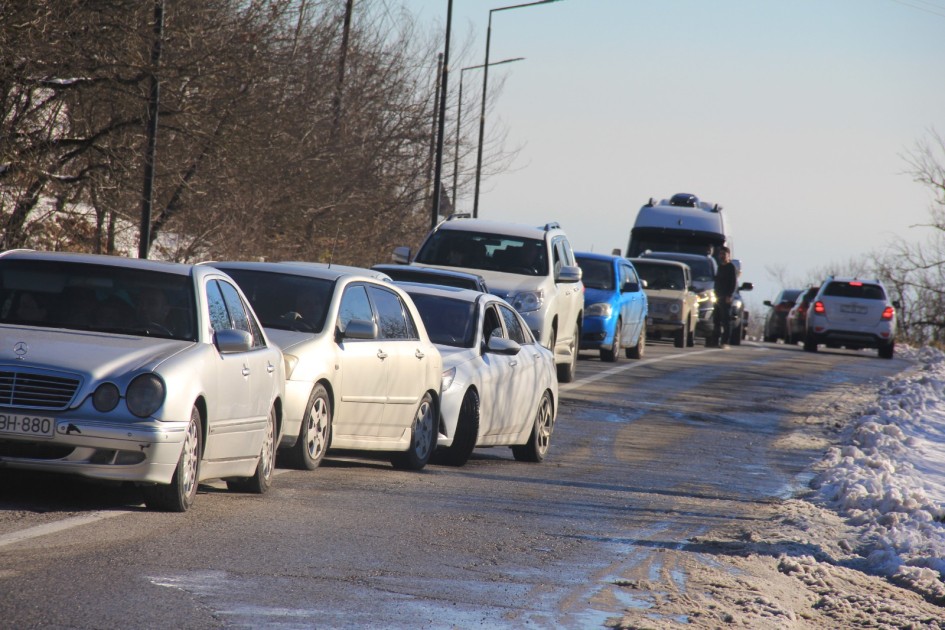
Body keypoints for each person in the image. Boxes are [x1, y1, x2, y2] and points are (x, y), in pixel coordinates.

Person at [710, 246, 737, 349]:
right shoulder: (720, 267)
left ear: (728, 255)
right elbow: (717, 281)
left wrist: (729, 295)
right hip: (717, 297)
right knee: (716, 320)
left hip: (726, 298)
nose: (722, 256)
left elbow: (733, 283)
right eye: (720, 254)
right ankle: (714, 341)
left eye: (724, 254)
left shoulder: (731, 267)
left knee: (726, 321)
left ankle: (725, 342)